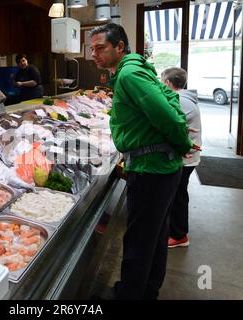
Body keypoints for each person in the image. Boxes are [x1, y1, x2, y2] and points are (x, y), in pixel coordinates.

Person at [90, 23, 200, 300]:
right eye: (92, 49)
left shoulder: (128, 74)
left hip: (151, 169)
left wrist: (182, 142)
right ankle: (148, 291)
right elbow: (170, 100)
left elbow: (165, 112)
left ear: (119, 47)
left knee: (139, 239)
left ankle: (128, 295)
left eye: (100, 48)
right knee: (155, 235)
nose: (94, 54)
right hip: (159, 167)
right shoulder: (135, 69)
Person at [161, 67, 202, 248]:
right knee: (178, 193)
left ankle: (179, 235)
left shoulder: (179, 100)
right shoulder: (186, 98)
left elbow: (172, 129)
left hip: (185, 158)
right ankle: (176, 230)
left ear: (169, 83)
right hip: (188, 156)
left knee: (177, 195)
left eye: (163, 82)